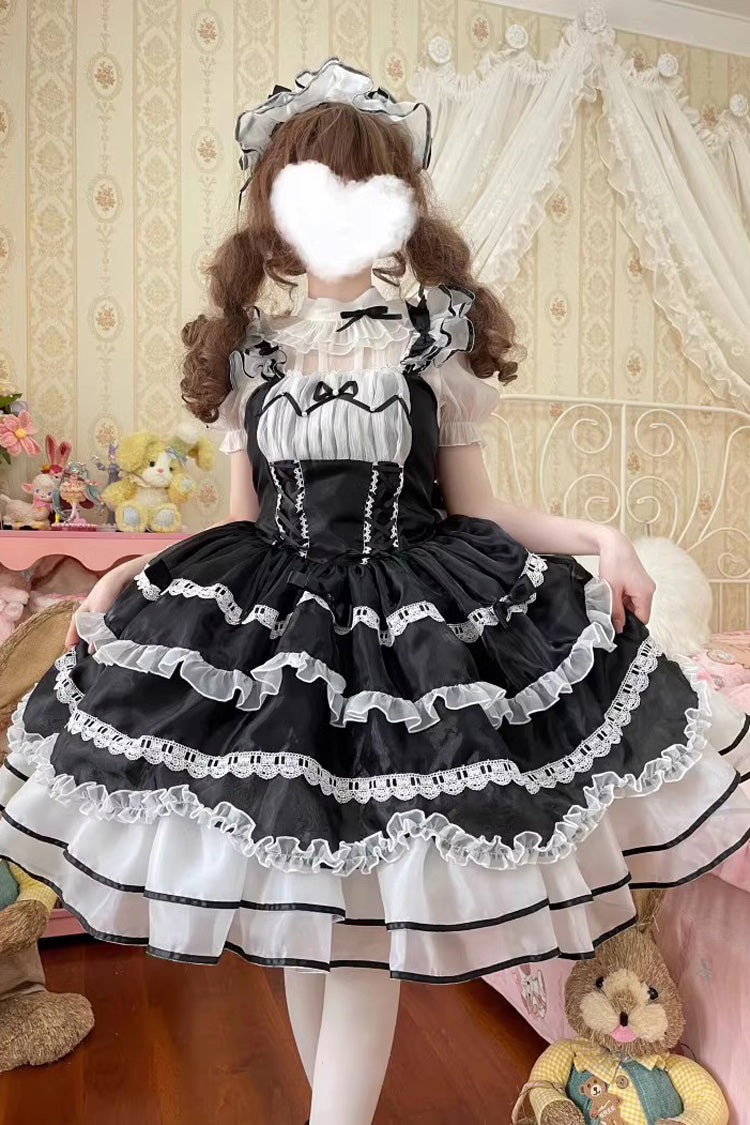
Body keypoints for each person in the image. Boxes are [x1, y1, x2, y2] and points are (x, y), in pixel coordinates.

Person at [1, 59, 748, 1125]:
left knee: (354, 929)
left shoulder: (433, 346)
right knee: (311, 920)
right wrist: (134, 568)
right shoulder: (253, 358)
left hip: (410, 639)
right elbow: (239, 520)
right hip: (282, 641)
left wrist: (602, 536)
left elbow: (482, 510)